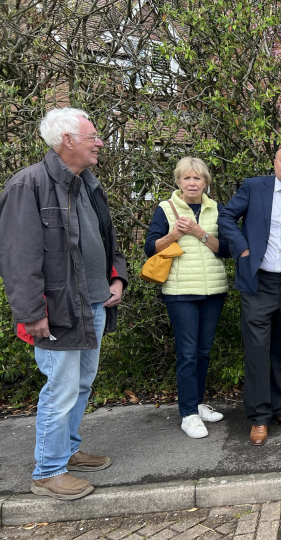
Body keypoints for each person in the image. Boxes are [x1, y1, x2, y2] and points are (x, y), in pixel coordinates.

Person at [0, 108, 128, 500]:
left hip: (92, 305)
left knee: (82, 384)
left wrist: (117, 276)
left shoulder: (87, 184)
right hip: (57, 312)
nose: (99, 142)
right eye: (92, 136)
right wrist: (31, 313)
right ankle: (48, 471)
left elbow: (107, 238)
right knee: (61, 389)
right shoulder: (29, 185)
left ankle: (68, 450)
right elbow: (17, 258)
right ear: (67, 140)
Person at [218, 145, 281, 446]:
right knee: (258, 350)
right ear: (274, 163)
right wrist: (242, 248)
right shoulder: (254, 187)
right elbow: (226, 218)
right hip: (258, 282)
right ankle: (260, 418)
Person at [144, 157, 231, 439]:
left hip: (213, 291)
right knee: (188, 352)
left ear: (206, 182)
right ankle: (188, 414)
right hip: (180, 293)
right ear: (178, 181)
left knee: (204, 351)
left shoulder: (217, 209)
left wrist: (200, 233)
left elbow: (227, 248)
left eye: (198, 178)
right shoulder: (166, 208)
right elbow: (150, 248)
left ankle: (197, 403)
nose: (192, 183)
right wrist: (174, 234)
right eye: (186, 178)